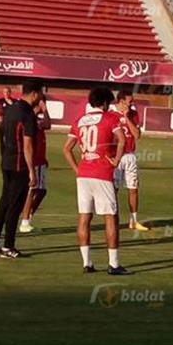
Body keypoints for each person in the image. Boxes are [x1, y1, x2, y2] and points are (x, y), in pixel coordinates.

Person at [62, 87, 129, 274]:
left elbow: (66, 148)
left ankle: (87, 263)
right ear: (105, 103)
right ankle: (113, 264)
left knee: (84, 217)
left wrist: (77, 169)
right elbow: (122, 140)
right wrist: (116, 160)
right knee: (110, 217)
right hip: (102, 173)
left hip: (84, 174)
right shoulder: (110, 118)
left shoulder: (79, 120)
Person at [0, 80, 43, 258]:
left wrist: (4, 156)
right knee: (15, 205)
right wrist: (32, 170)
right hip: (20, 164)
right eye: (40, 94)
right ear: (34, 94)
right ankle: (8, 246)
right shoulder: (27, 114)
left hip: (7, 162)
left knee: (4, 202)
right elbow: (28, 145)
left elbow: (1, 134)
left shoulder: (10, 109)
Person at [112, 90, 149, 231]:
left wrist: (126, 117)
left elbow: (137, 135)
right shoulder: (110, 114)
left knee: (133, 188)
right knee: (113, 189)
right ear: (121, 101)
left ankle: (133, 221)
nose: (132, 103)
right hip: (116, 156)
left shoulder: (133, 114)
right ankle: (113, 220)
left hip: (130, 155)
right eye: (130, 101)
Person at [19, 95, 51, 233]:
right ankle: (25, 221)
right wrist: (45, 110)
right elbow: (48, 124)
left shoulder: (34, 119)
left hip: (40, 159)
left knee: (41, 190)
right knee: (32, 190)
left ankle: (28, 216)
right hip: (35, 160)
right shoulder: (32, 119)